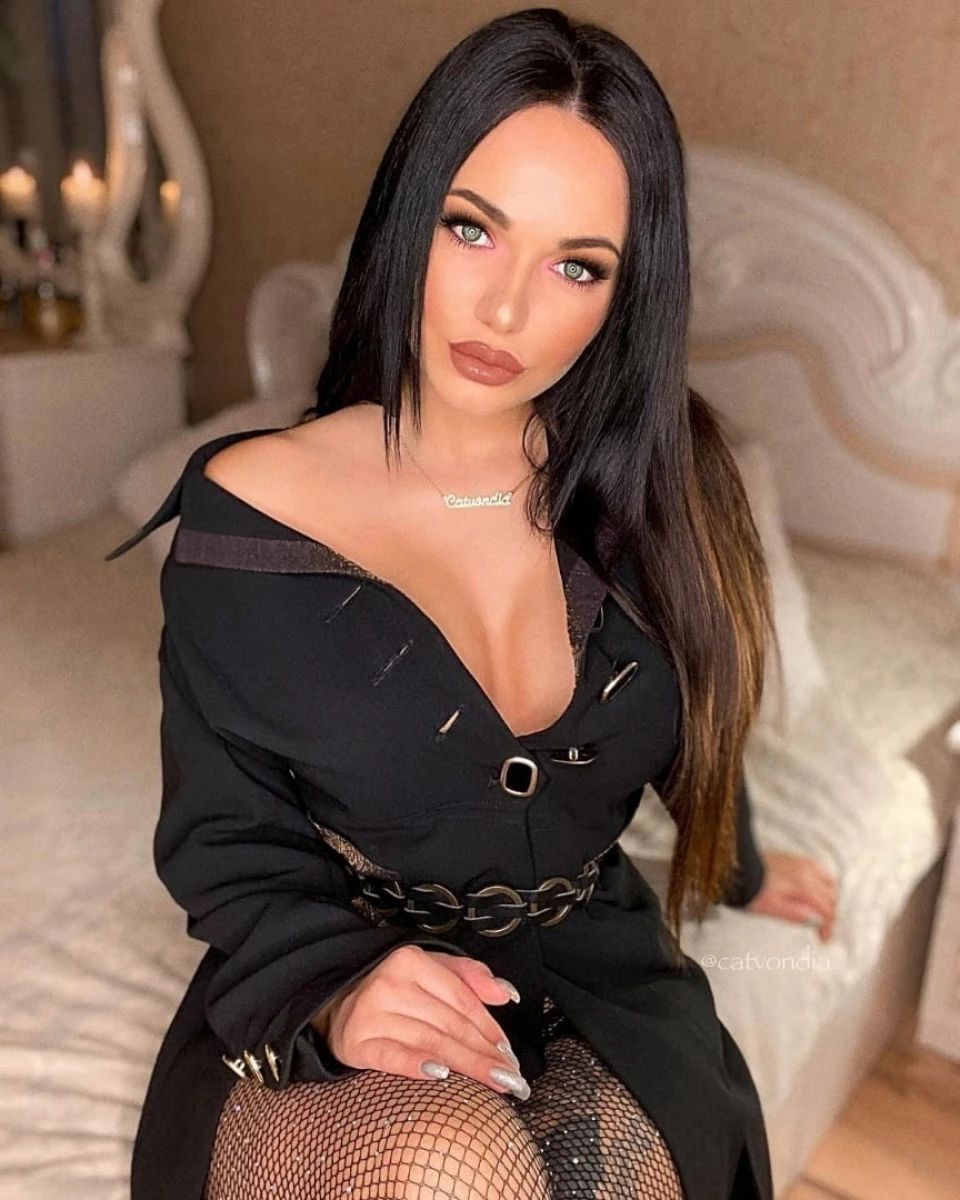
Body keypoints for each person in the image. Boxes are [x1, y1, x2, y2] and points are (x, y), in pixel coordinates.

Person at [105, 8, 837, 1198]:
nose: (504, 313)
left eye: (575, 265)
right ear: (411, 216)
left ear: (627, 294)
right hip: (328, 980)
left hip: (596, 971)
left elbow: (694, 709)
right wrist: (339, 985)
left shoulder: (668, 488)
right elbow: (225, 837)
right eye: (472, 228)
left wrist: (742, 868)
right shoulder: (252, 516)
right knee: (447, 1168)